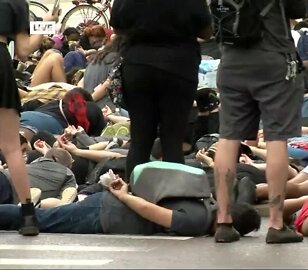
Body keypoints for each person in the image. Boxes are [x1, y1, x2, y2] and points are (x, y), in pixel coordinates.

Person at [213, 0, 308, 244]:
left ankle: (223, 220)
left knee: (228, 137)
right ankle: (276, 224)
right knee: (276, 138)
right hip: (273, 61)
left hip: (231, 62)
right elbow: (298, 10)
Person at [109, 0, 213, 179]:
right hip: (179, 67)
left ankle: (131, 195)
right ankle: (173, 200)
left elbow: (117, 27)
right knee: (173, 139)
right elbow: (206, 31)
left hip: (138, 66)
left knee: (140, 140)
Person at [0, 177, 261, 238]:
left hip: (106, 208)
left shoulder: (208, 202)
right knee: (39, 219)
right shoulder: (198, 220)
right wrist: (124, 196)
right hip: (105, 214)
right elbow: (151, 211)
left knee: (41, 217)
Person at [0, 0, 60, 236]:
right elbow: (24, 50)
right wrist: (46, 24)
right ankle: (27, 216)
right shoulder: (15, 3)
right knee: (12, 147)